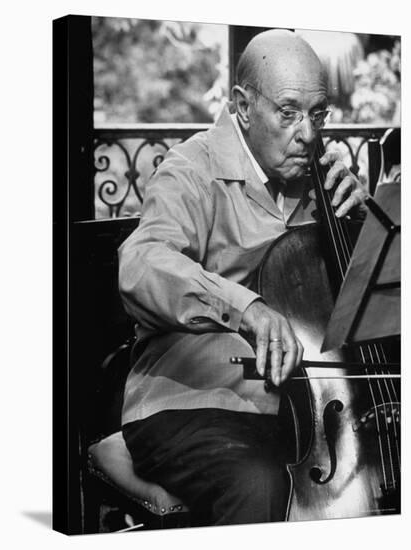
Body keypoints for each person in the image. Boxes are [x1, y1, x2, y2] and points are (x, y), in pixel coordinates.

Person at [118, 29, 367, 526]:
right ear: (244, 105)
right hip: (194, 404)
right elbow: (141, 262)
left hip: (308, 411)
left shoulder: (318, 176)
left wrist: (363, 228)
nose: (309, 134)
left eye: (318, 116)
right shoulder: (190, 169)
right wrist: (246, 308)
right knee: (259, 481)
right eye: (289, 112)